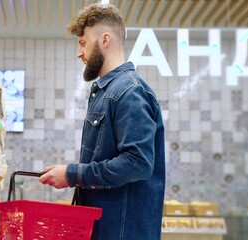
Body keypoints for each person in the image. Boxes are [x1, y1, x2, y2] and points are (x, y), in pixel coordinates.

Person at [38, 3, 166, 240]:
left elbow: (137, 163)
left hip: (122, 232)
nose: (79, 53)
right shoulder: (106, 91)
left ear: (105, 40)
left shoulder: (129, 91)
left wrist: (72, 174)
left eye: (83, 42)